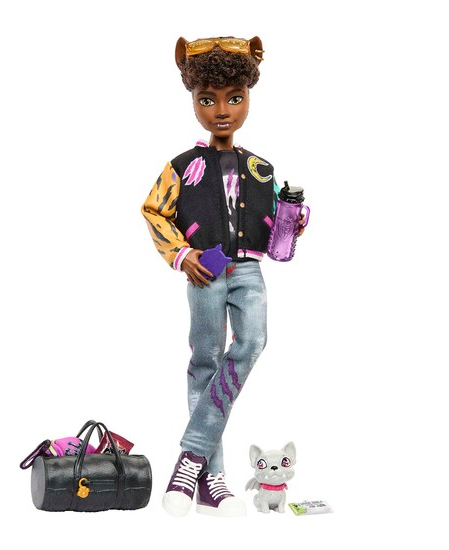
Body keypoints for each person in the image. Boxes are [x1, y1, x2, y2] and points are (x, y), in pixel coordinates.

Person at [141, 36, 305, 518]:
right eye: (207, 99)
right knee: (206, 359)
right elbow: (153, 210)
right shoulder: (182, 166)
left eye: (234, 98)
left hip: (248, 267)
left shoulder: (261, 167)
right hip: (205, 271)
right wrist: (182, 254)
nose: (221, 111)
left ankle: (189, 459)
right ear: (193, 100)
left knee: (252, 341)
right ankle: (211, 480)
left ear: (249, 97)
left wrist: (294, 218)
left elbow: (272, 225)